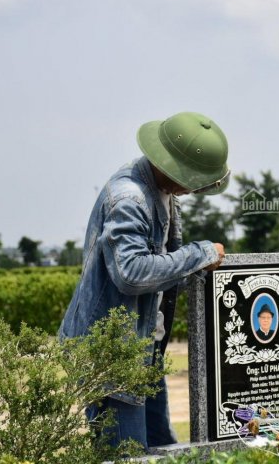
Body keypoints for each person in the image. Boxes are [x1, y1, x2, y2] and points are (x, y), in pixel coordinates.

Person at [58, 111, 230, 450]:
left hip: (142, 345)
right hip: (111, 352)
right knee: (128, 452)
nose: (195, 190)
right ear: (172, 169)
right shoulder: (129, 199)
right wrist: (201, 254)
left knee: (162, 447)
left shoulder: (162, 192)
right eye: (194, 181)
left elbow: (163, 270)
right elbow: (132, 273)